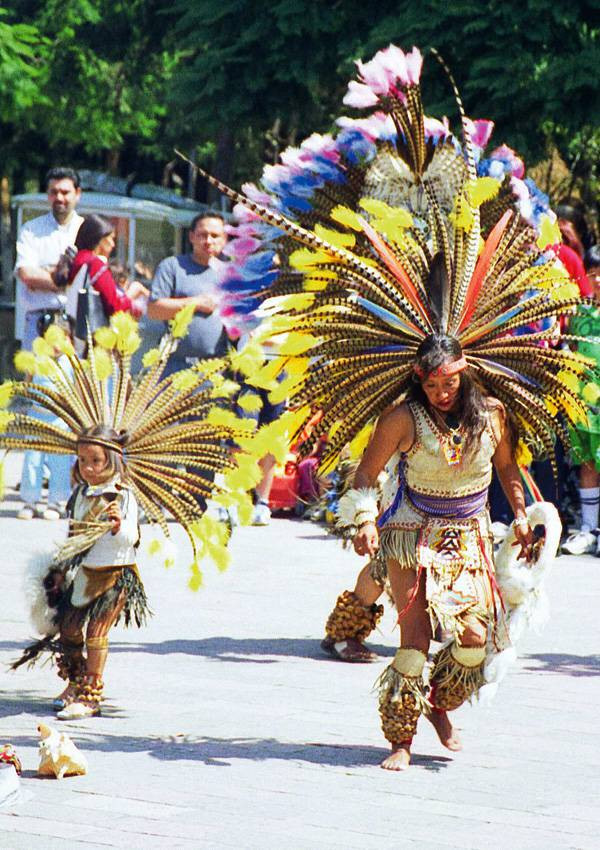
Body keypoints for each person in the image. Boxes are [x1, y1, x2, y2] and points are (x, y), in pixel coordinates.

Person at [147, 212, 229, 377]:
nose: (208, 241)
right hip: (176, 367)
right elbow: (154, 309)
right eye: (202, 235)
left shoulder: (231, 274)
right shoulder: (172, 267)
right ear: (191, 237)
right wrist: (195, 303)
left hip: (216, 369)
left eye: (215, 236)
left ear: (224, 239)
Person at [14, 167, 83, 350]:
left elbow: (91, 278)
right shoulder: (31, 230)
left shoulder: (86, 230)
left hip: (76, 327)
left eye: (65, 192)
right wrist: (67, 280)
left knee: (76, 379)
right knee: (35, 378)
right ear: (48, 195)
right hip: (39, 324)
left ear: (77, 194)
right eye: (54, 192)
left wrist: (46, 273)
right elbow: (27, 274)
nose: (59, 197)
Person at [562, 244, 600, 555]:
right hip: (585, 404)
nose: (597, 280)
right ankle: (588, 529)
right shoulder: (580, 315)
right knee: (588, 462)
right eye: (592, 275)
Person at [63, 214, 149, 331]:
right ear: (100, 239)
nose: (113, 245)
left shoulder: (77, 260)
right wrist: (133, 292)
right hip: (92, 337)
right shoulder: (95, 264)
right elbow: (115, 306)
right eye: (111, 239)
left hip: (73, 330)